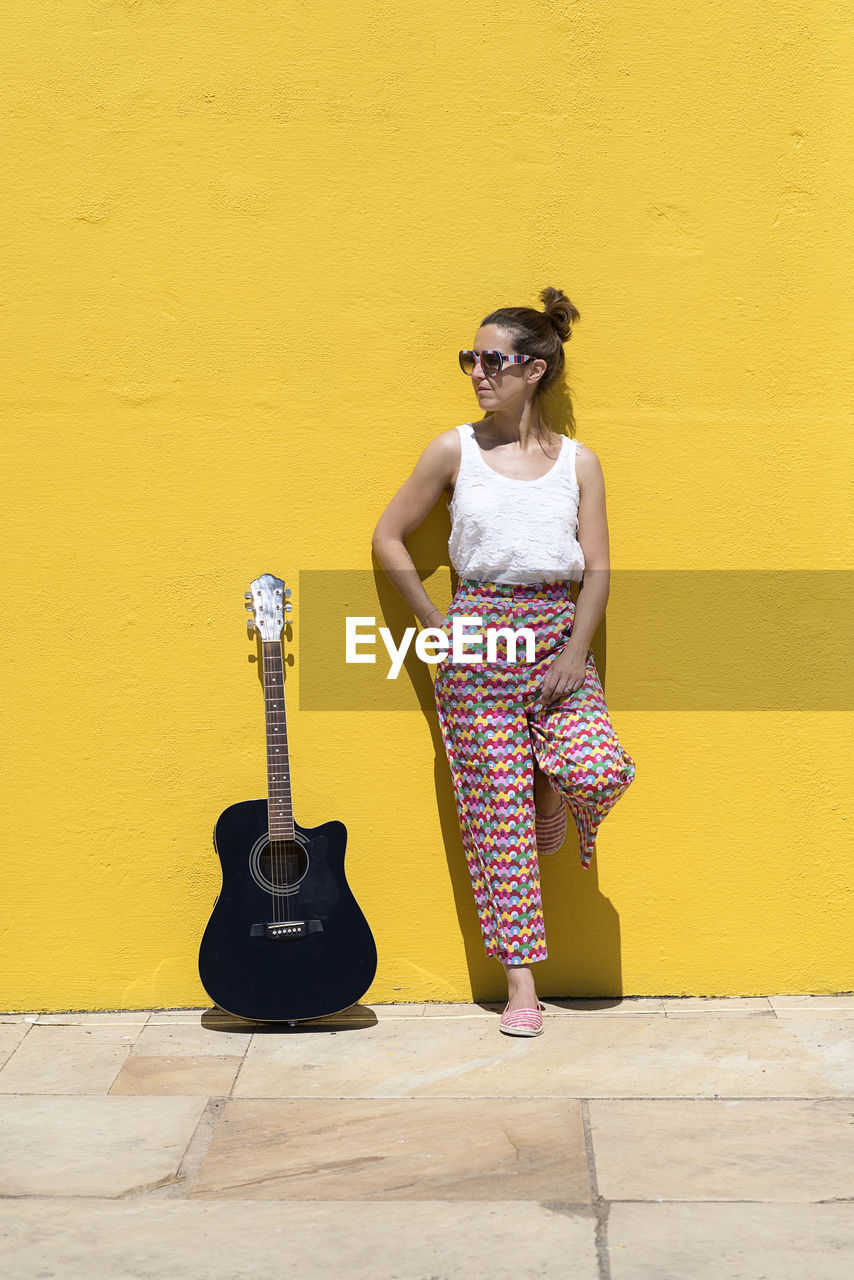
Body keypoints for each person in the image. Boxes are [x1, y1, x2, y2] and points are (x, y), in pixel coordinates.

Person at [371, 287, 636, 1037]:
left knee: (597, 766)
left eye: (492, 360)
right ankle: (522, 985)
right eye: (471, 359)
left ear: (538, 370)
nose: (477, 373)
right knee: (497, 822)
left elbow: (599, 567)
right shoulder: (455, 449)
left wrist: (578, 650)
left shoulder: (580, 463)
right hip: (479, 635)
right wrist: (436, 625)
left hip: (557, 633)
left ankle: (551, 796)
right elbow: (389, 537)